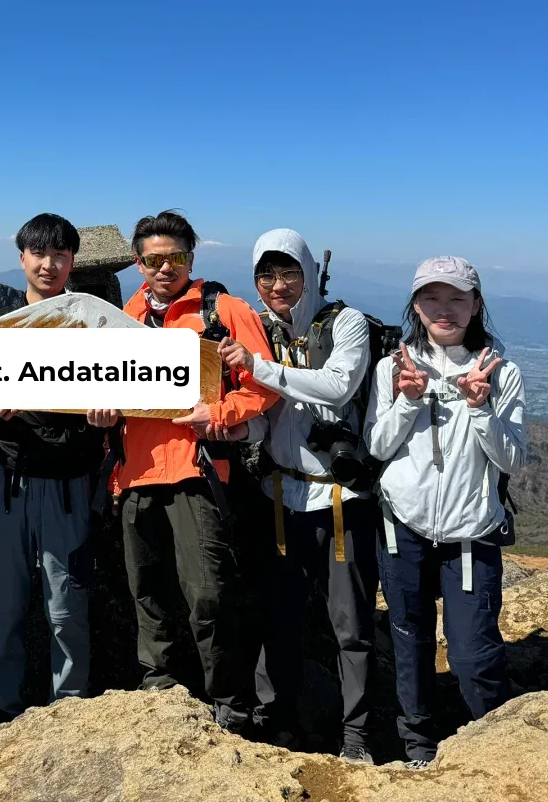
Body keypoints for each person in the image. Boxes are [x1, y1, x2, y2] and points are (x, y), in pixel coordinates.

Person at [107, 210, 277, 735]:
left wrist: (219, 415)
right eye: (153, 259)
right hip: (135, 473)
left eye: (174, 258)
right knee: (148, 592)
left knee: (209, 594)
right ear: (138, 263)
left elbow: (266, 384)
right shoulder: (125, 316)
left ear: (190, 259)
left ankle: (229, 702)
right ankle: (159, 690)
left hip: (196, 472)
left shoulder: (222, 310)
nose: (164, 268)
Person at [218, 229, 379, 761]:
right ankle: (276, 718)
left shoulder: (346, 323)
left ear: (309, 273)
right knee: (279, 617)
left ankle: (356, 735)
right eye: (266, 274)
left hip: (339, 502)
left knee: (350, 625)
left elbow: (337, 386)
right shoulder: (264, 331)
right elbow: (269, 417)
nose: (277, 284)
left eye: (289, 272)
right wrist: (239, 431)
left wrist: (256, 365)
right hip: (281, 497)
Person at [365, 256, 527, 768]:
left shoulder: (501, 372)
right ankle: (418, 745)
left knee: (472, 654)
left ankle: (494, 745)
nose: (445, 309)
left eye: (458, 297)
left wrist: (480, 408)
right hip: (402, 528)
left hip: (470, 534)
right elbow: (377, 445)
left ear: (477, 304)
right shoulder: (393, 368)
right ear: (416, 304)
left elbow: (513, 461)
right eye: (432, 297)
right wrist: (407, 401)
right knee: (409, 643)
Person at [0, 213, 112, 723]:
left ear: (74, 261)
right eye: (39, 254)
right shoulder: (3, 329)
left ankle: (69, 707)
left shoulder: (98, 331)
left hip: (70, 481)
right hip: (9, 480)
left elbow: (123, 395)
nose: (49, 264)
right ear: (22, 259)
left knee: (66, 603)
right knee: (6, 601)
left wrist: (104, 420)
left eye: (60, 255)